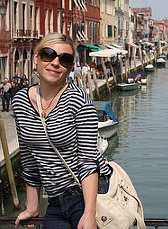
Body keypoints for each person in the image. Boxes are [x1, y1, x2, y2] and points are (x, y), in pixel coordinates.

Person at [12, 33, 111, 228]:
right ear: (36, 58)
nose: (56, 63)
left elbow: (88, 158)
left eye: (65, 59)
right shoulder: (20, 101)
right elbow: (29, 157)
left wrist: (89, 213)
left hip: (88, 193)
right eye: (49, 54)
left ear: (70, 67)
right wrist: (32, 206)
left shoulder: (78, 99)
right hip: (56, 197)